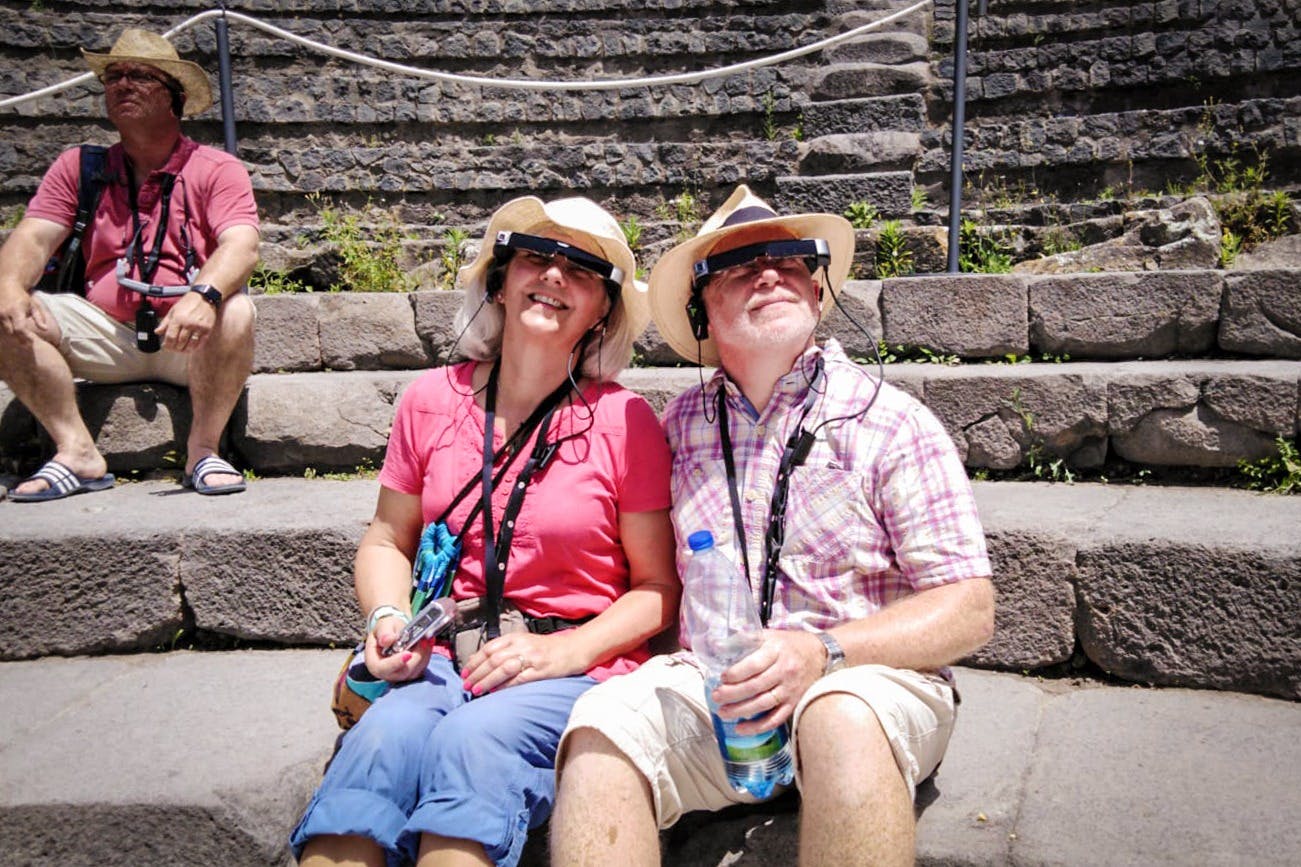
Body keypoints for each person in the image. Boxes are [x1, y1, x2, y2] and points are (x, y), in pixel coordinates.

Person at [552, 185, 995, 866]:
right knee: (601, 725)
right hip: (716, 695)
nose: (770, 273)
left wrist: (822, 653)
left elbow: (968, 608)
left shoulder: (893, 422)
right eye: (739, 266)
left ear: (818, 293)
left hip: (866, 682)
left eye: (791, 260)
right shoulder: (670, 430)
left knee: (839, 714)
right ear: (701, 311)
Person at [291, 195, 680, 867]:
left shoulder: (625, 420)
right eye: (534, 256)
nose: (554, 275)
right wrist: (387, 616)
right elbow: (387, 538)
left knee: (474, 741)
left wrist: (565, 653)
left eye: (582, 268)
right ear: (500, 280)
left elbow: (656, 589)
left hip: (571, 663)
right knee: (383, 739)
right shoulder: (429, 399)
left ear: (602, 311)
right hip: (444, 652)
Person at [0, 28, 258, 501]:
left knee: (237, 310)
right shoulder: (79, 166)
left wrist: (203, 296)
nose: (122, 85)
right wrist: (9, 284)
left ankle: (203, 450)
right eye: (113, 76)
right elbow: (34, 237)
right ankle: (77, 451)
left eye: (140, 76)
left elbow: (242, 244)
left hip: (189, 335)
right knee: (4, 305)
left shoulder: (217, 168)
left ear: (175, 98)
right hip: (103, 330)